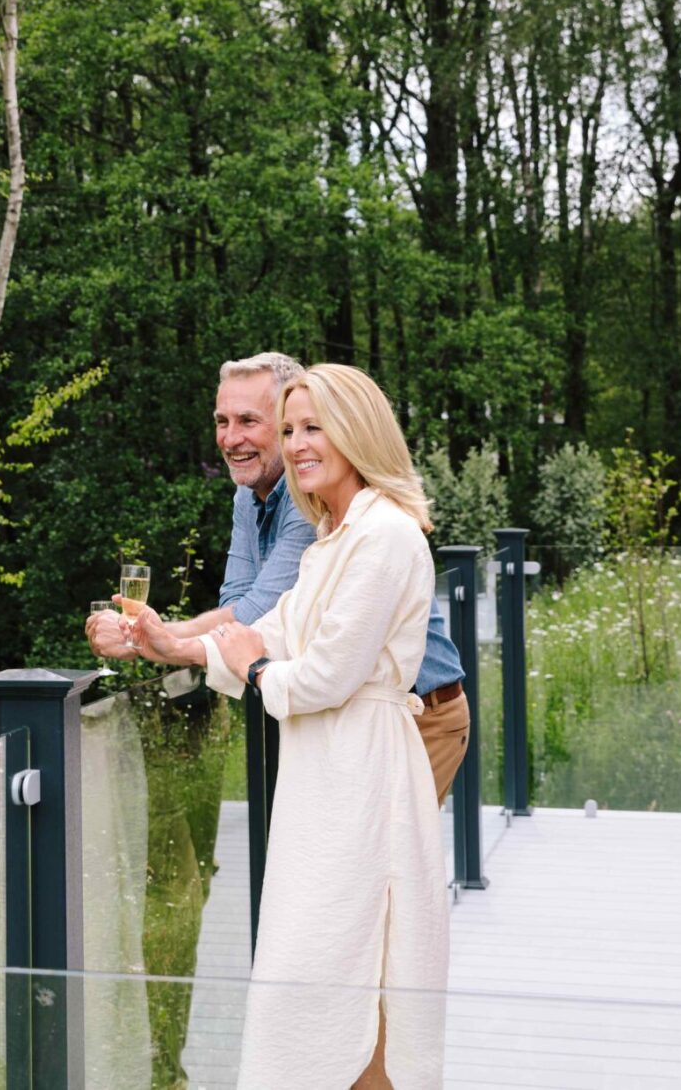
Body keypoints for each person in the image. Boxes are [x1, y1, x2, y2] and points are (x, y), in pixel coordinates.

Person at [128, 364, 448, 1089]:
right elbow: (271, 625)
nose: (299, 444)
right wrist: (169, 642)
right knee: (317, 971)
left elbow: (325, 673)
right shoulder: (333, 536)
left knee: (360, 964)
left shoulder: (387, 536)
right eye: (294, 428)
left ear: (358, 432)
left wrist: (256, 671)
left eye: (315, 427)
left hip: (364, 778)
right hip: (323, 779)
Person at [88, 351, 469, 804]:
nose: (231, 438)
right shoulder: (256, 498)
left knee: (381, 870)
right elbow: (246, 606)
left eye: (249, 420)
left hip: (414, 712)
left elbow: (257, 615)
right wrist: (160, 640)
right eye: (222, 421)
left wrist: (164, 640)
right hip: (344, 718)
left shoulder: (326, 500)